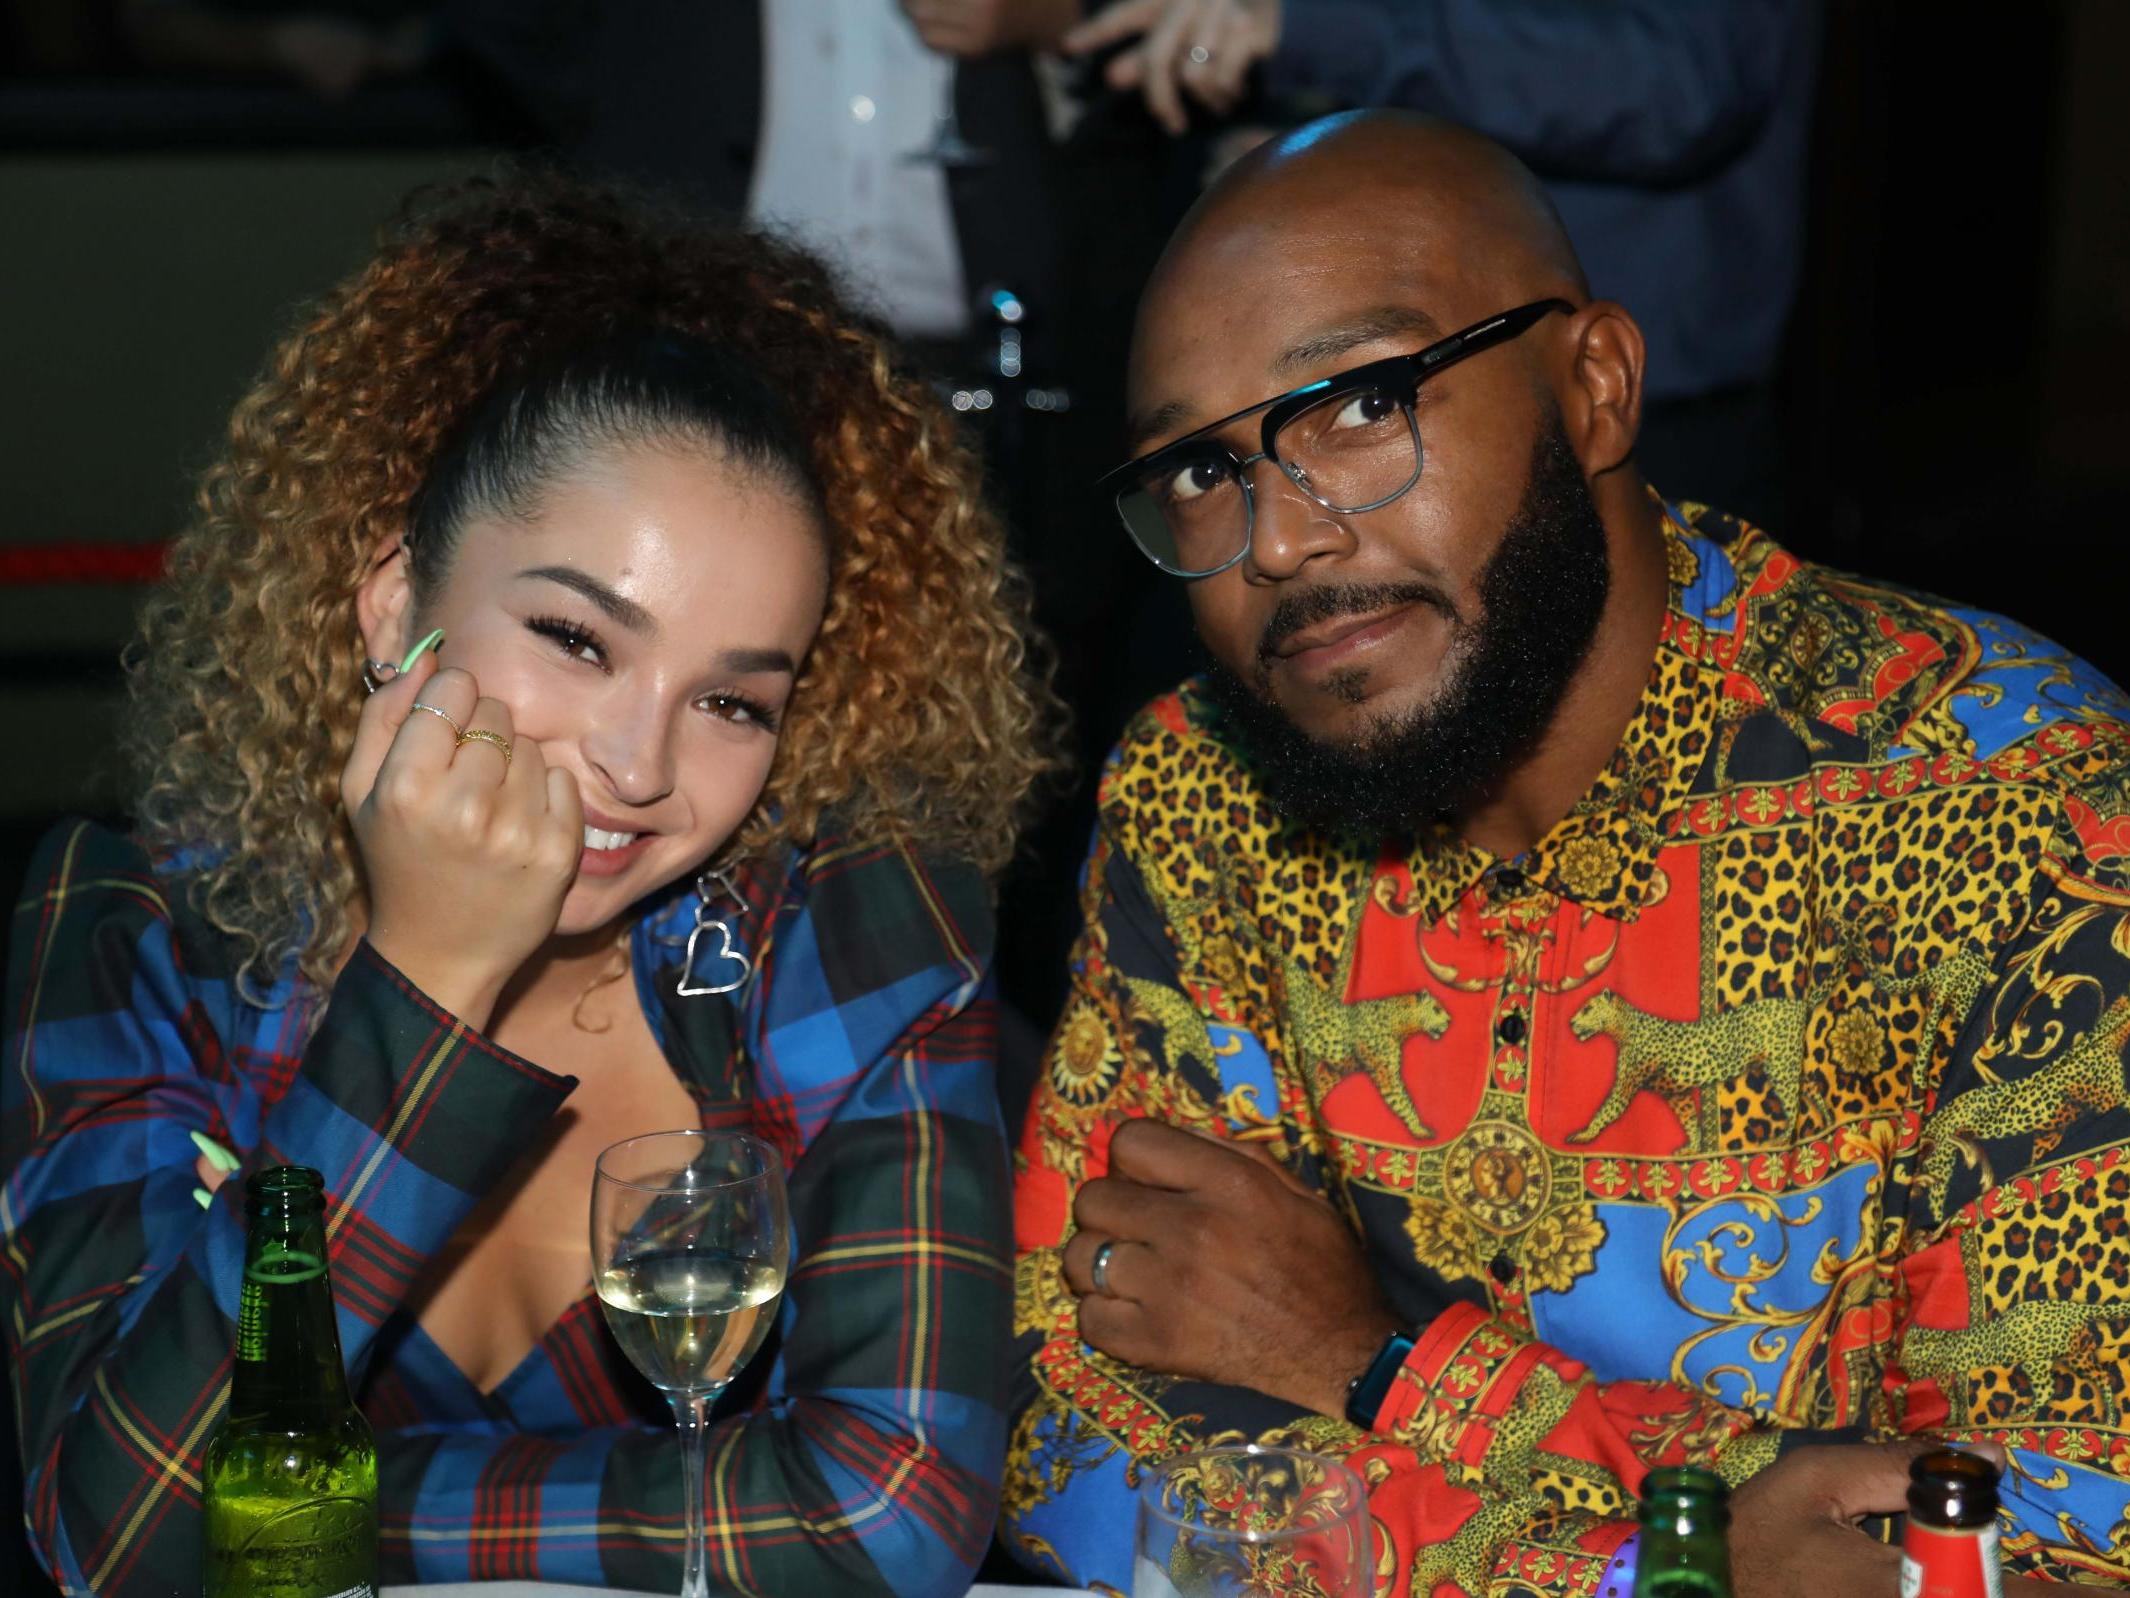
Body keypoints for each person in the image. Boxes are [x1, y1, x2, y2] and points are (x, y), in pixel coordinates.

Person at [1005, 111, 2130, 1595]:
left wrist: (1383, 1365)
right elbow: (1080, 1442)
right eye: (1202, 472)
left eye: (1356, 402)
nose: (1275, 539)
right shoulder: (1197, 795)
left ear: (1593, 386)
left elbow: (2043, 1537)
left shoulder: (2009, 798)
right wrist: (1677, 1564)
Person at [2, 170, 1052, 1597]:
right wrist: (425, 983)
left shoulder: (845, 933)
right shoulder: (138, 934)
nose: (636, 762)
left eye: (733, 704)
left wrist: (298, 1515)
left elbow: (891, 1516)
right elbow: (113, 1541)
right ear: (393, 603)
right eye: (576, 636)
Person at [1062, 0, 1819, 529]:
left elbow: (1680, 81)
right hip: (1370, 392)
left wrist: (1302, 27)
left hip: (1639, 413)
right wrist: (1300, 153)